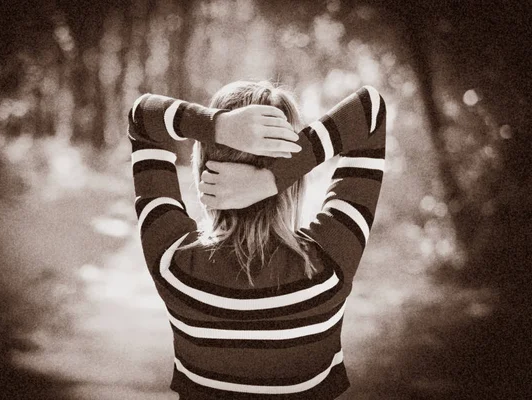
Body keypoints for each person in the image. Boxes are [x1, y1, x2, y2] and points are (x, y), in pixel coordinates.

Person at [128, 80, 386, 399]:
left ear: (202, 166)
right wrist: (273, 178)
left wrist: (215, 126)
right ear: (296, 179)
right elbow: (370, 112)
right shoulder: (329, 266)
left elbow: (143, 119)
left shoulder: (174, 265)